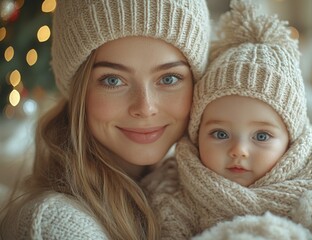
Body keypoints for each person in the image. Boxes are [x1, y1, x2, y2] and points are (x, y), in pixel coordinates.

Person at [147, 0, 312, 239]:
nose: (239, 150)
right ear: (196, 135)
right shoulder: (172, 196)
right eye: (220, 134)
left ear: (291, 142)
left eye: (261, 136)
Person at [0, 0, 210, 239]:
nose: (145, 107)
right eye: (113, 80)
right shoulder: (56, 226)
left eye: (170, 79)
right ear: (79, 91)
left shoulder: (202, 191)